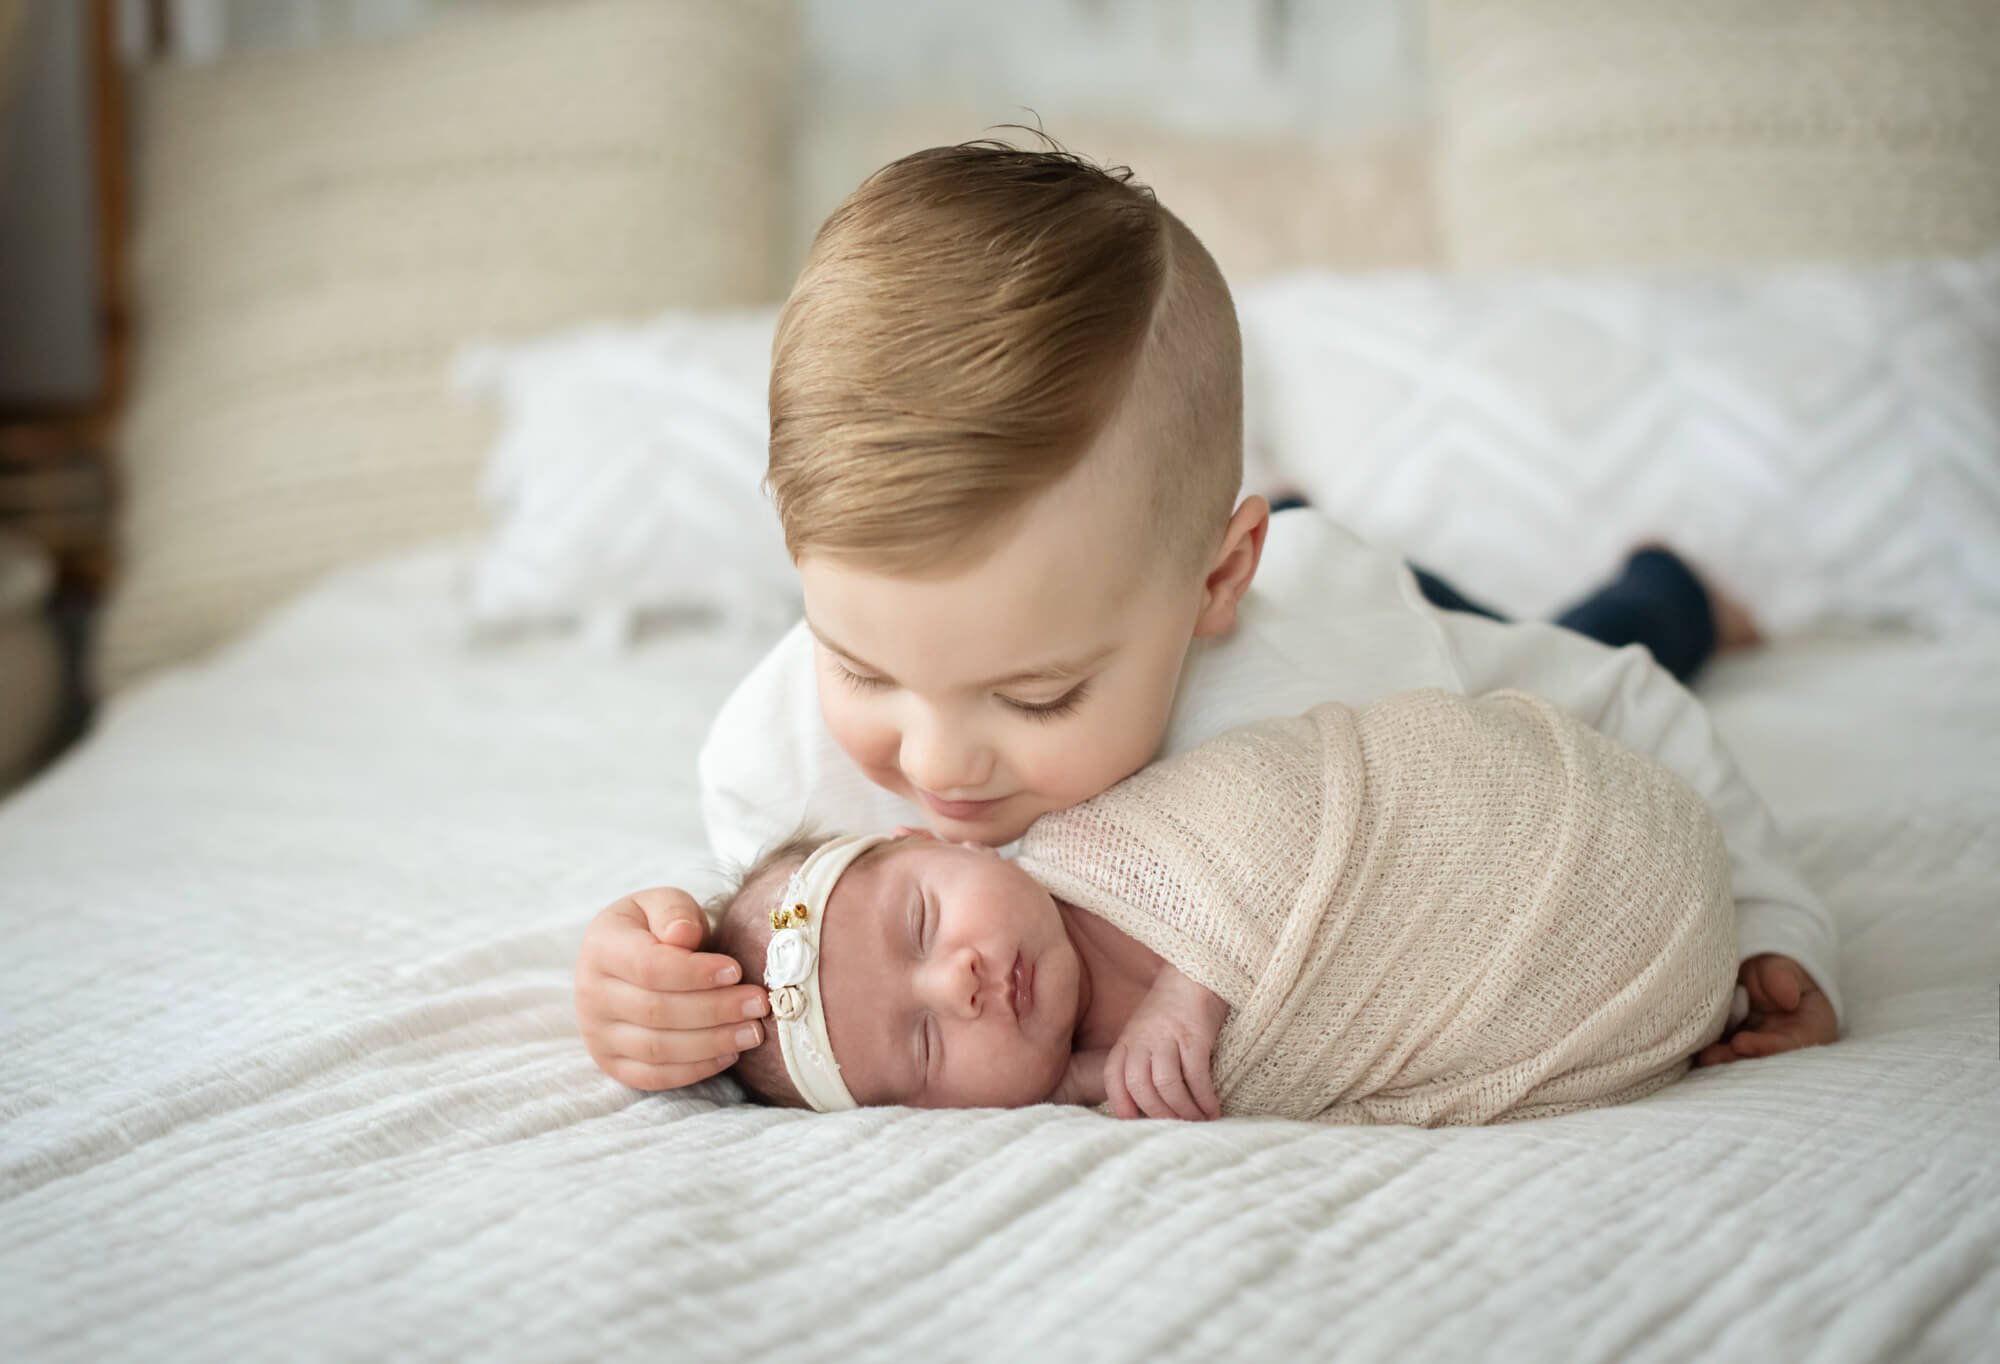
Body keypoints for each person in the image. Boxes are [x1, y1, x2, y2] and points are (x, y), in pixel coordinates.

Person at [572, 141, 1839, 1093]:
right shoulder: (775, 751)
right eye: (861, 666)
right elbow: (769, 943)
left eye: (1034, 694)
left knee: (1575, 627)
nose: (934, 764)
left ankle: (1669, 586)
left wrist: (1778, 925)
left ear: (1213, 583)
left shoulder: (1336, 640)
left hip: (1348, 597)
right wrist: (651, 979)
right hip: (1236, 558)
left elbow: (1609, 703)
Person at [693, 684, 1742, 1124]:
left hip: (1551, 815)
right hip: (1610, 987)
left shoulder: (1103, 831)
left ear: (928, 840)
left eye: (921, 923)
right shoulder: (1087, 1090)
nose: (958, 981)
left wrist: (1192, 988)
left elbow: (1293, 804)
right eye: (923, 1042)